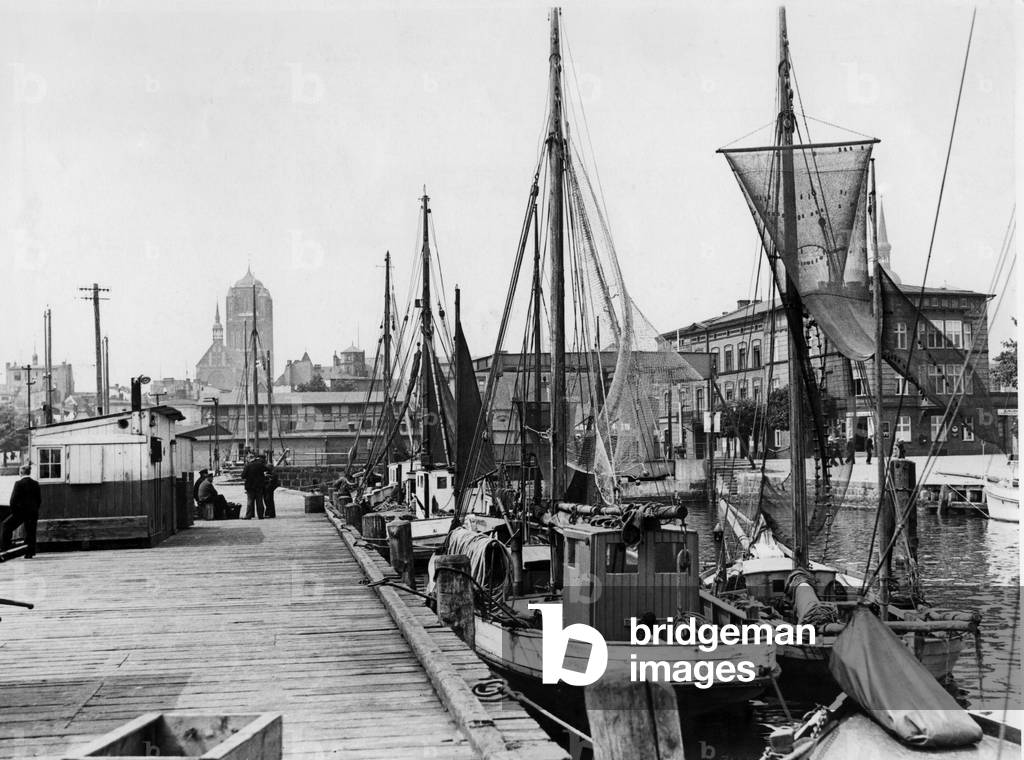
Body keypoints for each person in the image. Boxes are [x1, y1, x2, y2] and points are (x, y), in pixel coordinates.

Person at [1, 464, 41, 558]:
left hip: (20, 513)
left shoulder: (18, 483)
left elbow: (13, 500)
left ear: (21, 472)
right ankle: (30, 553)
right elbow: (39, 500)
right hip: (32, 513)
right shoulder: (35, 484)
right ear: (29, 472)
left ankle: (6, 548)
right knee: (30, 532)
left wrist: (15, 512)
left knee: (6, 526)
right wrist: (34, 509)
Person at [242, 455, 267, 519]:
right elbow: (267, 470)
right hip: (259, 486)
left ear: (249, 458)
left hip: (250, 486)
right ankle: (260, 515)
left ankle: (248, 515)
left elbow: (243, 476)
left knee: (250, 501)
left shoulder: (247, 466)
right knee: (259, 501)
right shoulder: (260, 465)